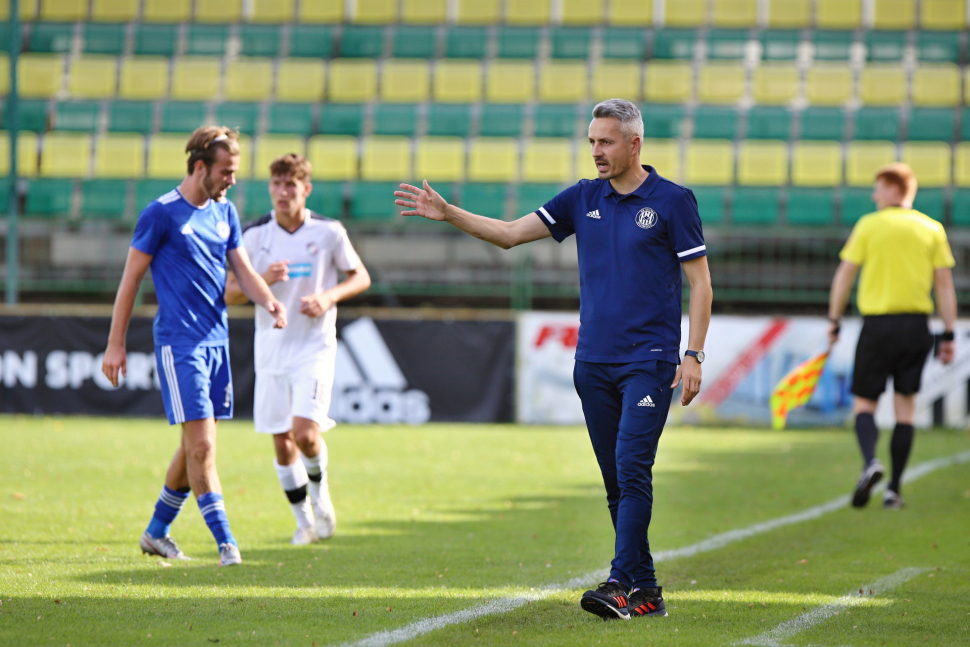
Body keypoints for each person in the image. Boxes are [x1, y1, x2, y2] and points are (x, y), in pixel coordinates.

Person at [395, 99, 713, 620]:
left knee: (633, 467)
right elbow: (509, 235)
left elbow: (700, 284)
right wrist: (449, 213)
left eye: (606, 141)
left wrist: (693, 354)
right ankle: (647, 589)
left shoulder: (674, 201)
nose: (596, 151)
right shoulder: (581, 198)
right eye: (591, 141)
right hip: (592, 362)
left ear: (635, 144)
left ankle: (617, 583)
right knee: (616, 479)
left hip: (649, 361)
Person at [101, 126, 287, 566]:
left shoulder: (226, 213)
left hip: (216, 343)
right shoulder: (160, 213)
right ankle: (227, 545)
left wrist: (270, 301)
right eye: (226, 171)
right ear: (200, 166)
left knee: (194, 447)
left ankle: (156, 533)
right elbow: (130, 280)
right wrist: (115, 344)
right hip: (179, 344)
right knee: (202, 447)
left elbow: (242, 272)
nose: (232, 180)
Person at [225, 153, 370, 545]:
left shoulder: (329, 232)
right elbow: (229, 294)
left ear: (305, 189)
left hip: (314, 345)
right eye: (276, 184)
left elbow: (360, 276)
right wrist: (261, 281)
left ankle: (321, 496)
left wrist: (329, 297)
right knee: (280, 439)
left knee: (305, 433)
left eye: (291, 184)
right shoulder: (254, 236)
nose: (282, 192)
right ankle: (303, 521)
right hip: (271, 347)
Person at [827, 162, 956, 510]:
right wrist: (947, 333)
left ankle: (871, 461)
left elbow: (844, 276)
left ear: (896, 190)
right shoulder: (932, 228)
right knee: (905, 408)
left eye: (879, 188)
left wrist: (834, 320)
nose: (874, 195)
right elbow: (944, 286)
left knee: (864, 404)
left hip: (878, 326)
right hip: (916, 328)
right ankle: (894, 490)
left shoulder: (870, 225)